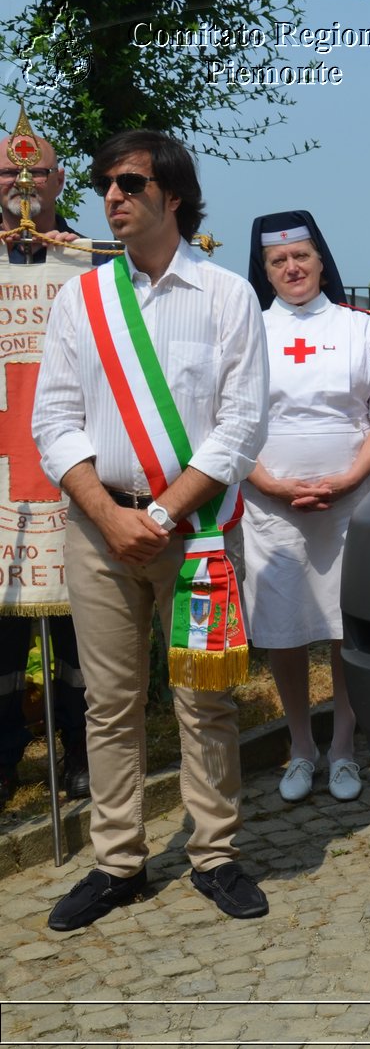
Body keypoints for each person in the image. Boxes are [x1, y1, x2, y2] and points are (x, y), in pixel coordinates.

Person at [31, 130, 270, 928]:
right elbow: (54, 419)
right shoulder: (82, 298)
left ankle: (215, 854)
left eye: (130, 183)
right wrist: (109, 513)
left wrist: (163, 514)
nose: (112, 196)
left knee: (205, 698)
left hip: (194, 530)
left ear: (173, 194)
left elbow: (240, 426)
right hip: (100, 528)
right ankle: (119, 862)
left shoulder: (227, 295)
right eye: (105, 183)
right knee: (110, 701)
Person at [242, 210, 370, 803]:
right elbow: (225, 421)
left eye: (302, 257)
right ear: (264, 271)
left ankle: (341, 748)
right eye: (278, 261)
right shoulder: (248, 332)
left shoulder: (360, 329)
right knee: (284, 631)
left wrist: (352, 476)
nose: (292, 268)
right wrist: (274, 485)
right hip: (272, 505)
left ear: (321, 261)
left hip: (349, 502)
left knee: (343, 628)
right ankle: (300, 747)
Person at [0, 131, 90, 807]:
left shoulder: (93, 266)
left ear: (60, 181)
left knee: (83, 648)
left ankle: (85, 762)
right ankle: (3, 766)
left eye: (37, 172)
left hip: (77, 481)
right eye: (8, 171)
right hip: (3, 484)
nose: (22, 184)